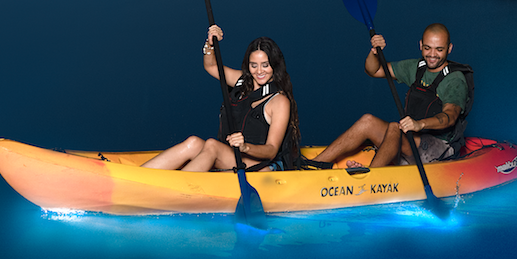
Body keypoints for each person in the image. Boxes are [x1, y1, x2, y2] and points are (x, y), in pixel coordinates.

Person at [142, 25, 301, 172]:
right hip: (231, 158)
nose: (259, 71)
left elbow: (271, 150)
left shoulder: (279, 101)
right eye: (254, 65)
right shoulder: (242, 81)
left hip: (262, 168)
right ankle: (138, 178)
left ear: (274, 65)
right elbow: (211, 66)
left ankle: (171, 190)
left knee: (212, 146)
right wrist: (210, 44)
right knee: (193, 143)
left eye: (265, 65)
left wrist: (245, 147)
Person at [313, 23, 468, 169]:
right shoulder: (417, 67)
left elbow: (450, 116)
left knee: (395, 127)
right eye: (427, 48)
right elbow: (374, 70)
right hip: (412, 139)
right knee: (368, 121)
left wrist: (419, 124)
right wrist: (375, 52)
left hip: (440, 149)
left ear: (449, 48)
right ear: (420, 45)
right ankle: (315, 164)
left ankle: (371, 175)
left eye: (439, 49)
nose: (432, 55)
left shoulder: (454, 79)